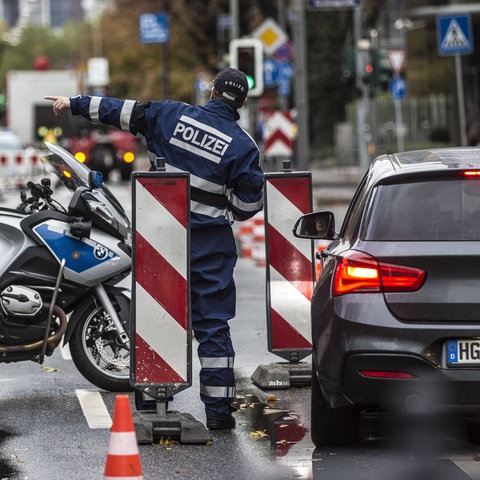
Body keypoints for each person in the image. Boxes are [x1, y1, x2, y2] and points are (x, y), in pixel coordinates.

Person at [44, 67, 264, 430]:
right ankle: (220, 414)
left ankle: (151, 402)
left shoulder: (171, 114)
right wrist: (219, 200)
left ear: (211, 91)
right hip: (210, 245)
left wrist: (75, 103)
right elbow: (246, 206)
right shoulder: (243, 146)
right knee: (212, 325)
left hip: (161, 238)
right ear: (241, 100)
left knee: (155, 316)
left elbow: (122, 110)